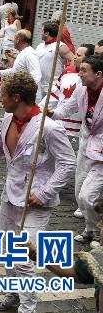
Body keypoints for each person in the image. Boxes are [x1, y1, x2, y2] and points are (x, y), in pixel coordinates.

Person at [0, 71, 76, 312]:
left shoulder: (49, 128)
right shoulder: (7, 120)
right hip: (11, 195)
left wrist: (45, 192)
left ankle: (28, 308)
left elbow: (68, 163)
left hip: (36, 201)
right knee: (7, 249)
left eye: (2, 94)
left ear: (16, 97)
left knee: (25, 253)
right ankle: (13, 295)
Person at [50, 55, 103, 248]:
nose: (79, 73)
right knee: (80, 191)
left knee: (87, 195)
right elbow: (68, 108)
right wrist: (52, 113)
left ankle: (98, 232)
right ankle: (89, 231)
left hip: (102, 153)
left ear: (98, 74)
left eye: (83, 70)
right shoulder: (81, 90)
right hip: (85, 144)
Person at [35, 21, 75, 98]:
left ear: (46, 33)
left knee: (48, 109)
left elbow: (73, 59)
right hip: (39, 85)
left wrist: (69, 75)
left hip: (53, 86)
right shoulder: (39, 46)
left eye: (42, 30)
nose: (40, 33)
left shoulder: (60, 46)